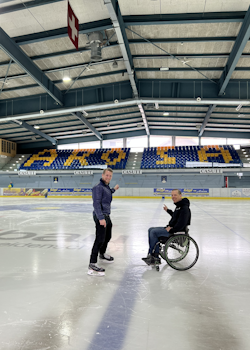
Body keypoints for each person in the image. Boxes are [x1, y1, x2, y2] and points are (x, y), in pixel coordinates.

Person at [142, 189, 191, 265]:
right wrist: (168, 210)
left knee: (154, 232)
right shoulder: (179, 206)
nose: (173, 197)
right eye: (172, 195)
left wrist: (172, 229)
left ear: (180, 196)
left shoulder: (184, 208)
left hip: (176, 232)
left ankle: (155, 257)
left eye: (175, 195)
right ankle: (152, 254)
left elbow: (182, 223)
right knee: (150, 229)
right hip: (173, 229)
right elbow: (175, 216)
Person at [88, 168, 119, 276]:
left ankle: (102, 254)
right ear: (102, 175)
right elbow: (96, 204)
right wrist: (101, 218)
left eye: (110, 176)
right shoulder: (97, 187)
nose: (108, 177)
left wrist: (114, 189)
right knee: (100, 238)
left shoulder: (105, 187)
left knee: (107, 236)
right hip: (100, 215)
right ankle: (92, 263)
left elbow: (108, 192)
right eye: (107, 175)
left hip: (106, 215)